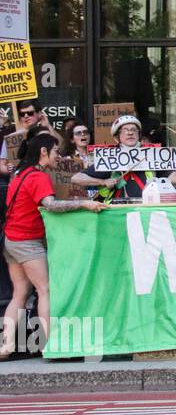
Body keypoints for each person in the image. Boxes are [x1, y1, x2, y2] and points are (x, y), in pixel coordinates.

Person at [1, 131, 108, 358]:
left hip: (12, 240)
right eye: (55, 151)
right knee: (45, 289)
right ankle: (49, 344)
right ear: (43, 152)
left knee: (20, 293)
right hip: (27, 242)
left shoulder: (20, 174)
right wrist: (84, 204)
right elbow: (50, 205)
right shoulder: (38, 177)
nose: (58, 156)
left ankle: (6, 345)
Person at [72, 114, 176, 201]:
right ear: (117, 137)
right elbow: (76, 178)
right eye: (125, 130)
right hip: (118, 212)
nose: (130, 132)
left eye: (134, 130)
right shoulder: (110, 157)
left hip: (147, 210)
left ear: (139, 135)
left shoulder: (152, 155)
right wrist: (103, 182)